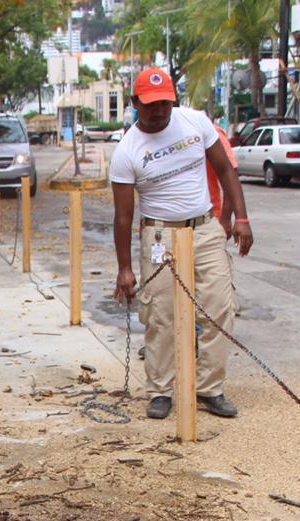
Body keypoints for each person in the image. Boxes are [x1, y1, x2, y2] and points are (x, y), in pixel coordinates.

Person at [110, 67, 253, 421]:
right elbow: (123, 217)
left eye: (165, 104)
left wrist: (242, 218)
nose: (159, 112)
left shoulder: (195, 122)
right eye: (150, 105)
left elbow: (225, 170)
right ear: (134, 104)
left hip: (203, 230)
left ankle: (209, 388)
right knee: (161, 316)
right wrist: (125, 269)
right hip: (159, 236)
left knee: (220, 306)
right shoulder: (127, 151)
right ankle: (160, 390)